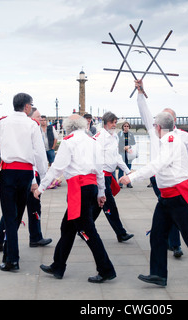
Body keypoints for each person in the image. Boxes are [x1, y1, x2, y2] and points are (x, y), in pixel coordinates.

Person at [119, 112, 188, 287]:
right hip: (166, 198)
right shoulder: (168, 140)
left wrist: (132, 177)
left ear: (158, 127)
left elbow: (158, 165)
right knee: (157, 235)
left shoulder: (171, 141)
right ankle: (158, 274)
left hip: (178, 197)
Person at [135, 79, 188, 259]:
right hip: (160, 181)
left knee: (182, 223)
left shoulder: (180, 137)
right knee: (164, 222)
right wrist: (141, 93)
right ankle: (161, 266)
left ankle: (177, 246)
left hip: (177, 186)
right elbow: (145, 112)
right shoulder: (154, 131)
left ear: (173, 121)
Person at [36, 114, 116, 283]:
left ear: (68, 127)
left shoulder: (68, 140)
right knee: (67, 227)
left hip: (78, 189)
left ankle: (106, 269)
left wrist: (41, 187)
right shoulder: (93, 141)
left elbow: (57, 168)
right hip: (90, 186)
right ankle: (58, 265)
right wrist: (101, 192)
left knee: (87, 231)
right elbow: (99, 170)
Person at [0, 93, 48, 272]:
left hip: (9, 172)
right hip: (26, 173)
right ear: (27, 107)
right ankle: (10, 256)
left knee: (11, 216)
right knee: (16, 216)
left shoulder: (3, 122)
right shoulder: (32, 124)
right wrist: (44, 178)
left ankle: (11, 258)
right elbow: (39, 154)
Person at [0, 107, 52, 251]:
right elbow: (32, 157)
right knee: (24, 209)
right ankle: (29, 238)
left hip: (27, 174)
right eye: (38, 117)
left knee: (16, 209)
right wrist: (35, 181)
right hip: (29, 175)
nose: (40, 120)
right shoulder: (30, 130)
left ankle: (1, 239)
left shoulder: (31, 129)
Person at [92, 112, 134, 243]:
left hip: (109, 176)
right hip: (102, 176)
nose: (114, 125)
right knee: (110, 205)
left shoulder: (114, 136)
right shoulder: (99, 137)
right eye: (112, 122)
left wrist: (128, 171)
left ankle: (83, 228)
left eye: (115, 122)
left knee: (98, 206)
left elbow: (117, 158)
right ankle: (121, 233)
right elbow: (95, 157)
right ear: (105, 123)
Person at [117, 121, 136, 188]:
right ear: (123, 127)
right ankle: (120, 183)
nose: (126, 127)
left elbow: (133, 143)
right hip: (122, 152)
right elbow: (118, 143)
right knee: (121, 168)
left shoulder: (131, 134)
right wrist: (124, 147)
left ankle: (129, 183)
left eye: (127, 126)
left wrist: (129, 147)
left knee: (128, 168)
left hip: (129, 153)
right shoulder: (120, 134)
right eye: (125, 126)